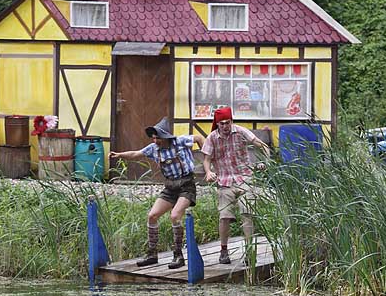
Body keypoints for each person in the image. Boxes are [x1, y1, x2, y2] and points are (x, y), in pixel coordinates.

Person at [110, 117, 205, 269]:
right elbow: (136, 154)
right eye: (153, 138)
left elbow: (199, 138)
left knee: (175, 216)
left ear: (166, 136)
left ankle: (178, 255)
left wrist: (206, 158)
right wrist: (120, 155)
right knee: (152, 216)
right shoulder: (154, 149)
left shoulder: (180, 142)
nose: (155, 141)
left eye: (158, 138)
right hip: (170, 188)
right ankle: (152, 254)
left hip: (187, 185)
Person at [202, 107, 271, 264]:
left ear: (231, 121)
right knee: (224, 216)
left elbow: (262, 146)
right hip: (225, 182)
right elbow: (206, 159)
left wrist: (265, 163)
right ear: (217, 124)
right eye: (222, 124)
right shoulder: (212, 137)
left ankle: (249, 251)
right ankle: (224, 250)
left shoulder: (240, 131)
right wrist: (208, 172)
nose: (225, 126)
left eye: (228, 123)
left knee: (247, 214)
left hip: (245, 178)